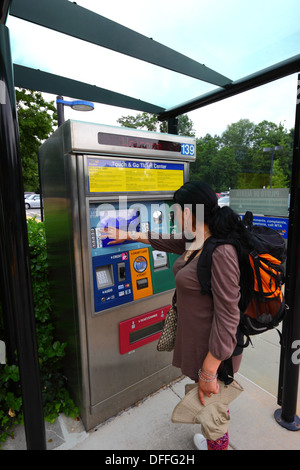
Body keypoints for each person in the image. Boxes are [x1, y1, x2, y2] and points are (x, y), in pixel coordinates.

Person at [101, 181, 250, 451]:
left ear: (190, 212)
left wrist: (209, 369)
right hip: (199, 341)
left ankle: (218, 444)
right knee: (211, 401)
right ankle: (213, 437)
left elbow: (229, 315)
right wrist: (127, 235)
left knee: (210, 404)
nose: (174, 215)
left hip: (213, 349)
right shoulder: (198, 240)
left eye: (176, 211)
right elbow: (165, 241)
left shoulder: (220, 251)